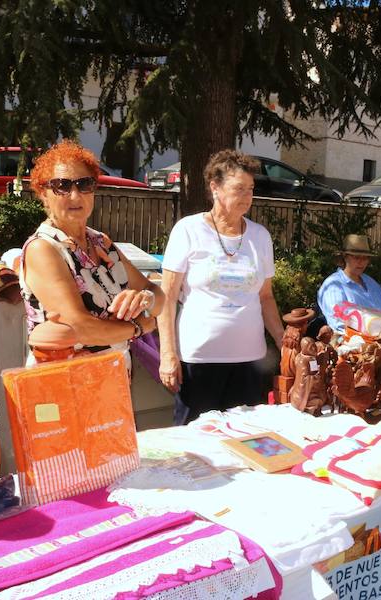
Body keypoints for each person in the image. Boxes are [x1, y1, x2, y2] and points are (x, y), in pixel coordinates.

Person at [158, 150, 284, 424]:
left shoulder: (260, 237)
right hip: (199, 361)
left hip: (251, 362)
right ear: (215, 187)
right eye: (239, 189)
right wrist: (168, 355)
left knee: (248, 441)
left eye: (250, 189)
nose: (247, 197)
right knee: (195, 448)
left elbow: (266, 298)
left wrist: (283, 341)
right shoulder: (188, 230)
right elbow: (166, 298)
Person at [20, 140, 164, 364]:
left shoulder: (100, 242)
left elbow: (155, 293)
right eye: (62, 186)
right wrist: (138, 326)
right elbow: (81, 328)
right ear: (43, 194)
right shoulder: (43, 249)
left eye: (84, 184)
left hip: (112, 376)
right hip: (66, 381)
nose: (75, 196)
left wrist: (145, 300)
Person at [317, 234, 381, 333]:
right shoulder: (334, 286)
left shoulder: (372, 283)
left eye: (365, 258)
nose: (361, 262)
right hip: (353, 344)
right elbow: (339, 325)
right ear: (345, 257)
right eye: (356, 257)